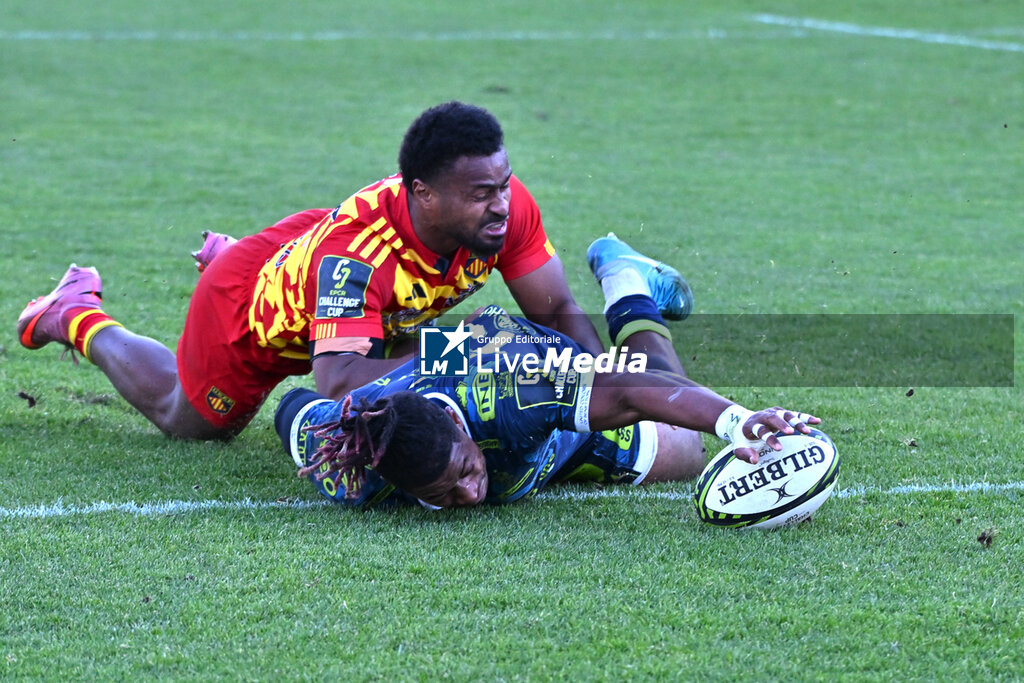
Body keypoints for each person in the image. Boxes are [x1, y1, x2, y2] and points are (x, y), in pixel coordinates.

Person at [14, 101, 691, 441]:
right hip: (251, 319)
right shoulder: (356, 257)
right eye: (482, 192)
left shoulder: (502, 211)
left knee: (399, 338)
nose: (502, 204)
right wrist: (464, 356)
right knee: (190, 423)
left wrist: (600, 385)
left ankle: (252, 262)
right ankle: (76, 313)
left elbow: (556, 311)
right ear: (423, 194)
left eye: (505, 183)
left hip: (330, 274)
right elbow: (336, 381)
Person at [274, 246, 819, 509]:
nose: (470, 493)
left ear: (462, 430)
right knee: (438, 354)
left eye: (463, 471)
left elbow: (633, 392)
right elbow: (294, 410)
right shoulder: (358, 463)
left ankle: (624, 277)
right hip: (447, 361)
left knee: (682, 442)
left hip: (515, 353)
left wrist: (736, 421)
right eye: (440, 494)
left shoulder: (520, 394)